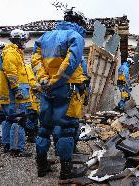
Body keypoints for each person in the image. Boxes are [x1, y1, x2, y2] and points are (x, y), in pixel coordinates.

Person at [31, 7, 87, 184]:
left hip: (47, 88)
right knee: (66, 129)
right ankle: (66, 171)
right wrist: (56, 81)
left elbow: (35, 61)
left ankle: (41, 166)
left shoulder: (44, 37)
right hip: (66, 88)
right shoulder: (75, 37)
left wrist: (44, 80)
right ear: (79, 21)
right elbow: (71, 63)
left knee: (44, 127)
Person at [0, 29, 32, 156]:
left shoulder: (13, 52)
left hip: (11, 93)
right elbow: (11, 73)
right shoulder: (11, 53)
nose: (24, 43)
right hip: (15, 94)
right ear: (17, 39)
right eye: (23, 40)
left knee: (9, 119)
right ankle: (16, 149)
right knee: (19, 119)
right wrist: (16, 89)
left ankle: (7, 145)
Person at [25, 62, 40, 143]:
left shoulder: (34, 69)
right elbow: (33, 84)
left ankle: (34, 135)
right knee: (30, 118)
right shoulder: (29, 68)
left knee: (34, 117)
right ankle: (31, 135)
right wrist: (42, 87)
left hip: (34, 101)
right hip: (29, 99)